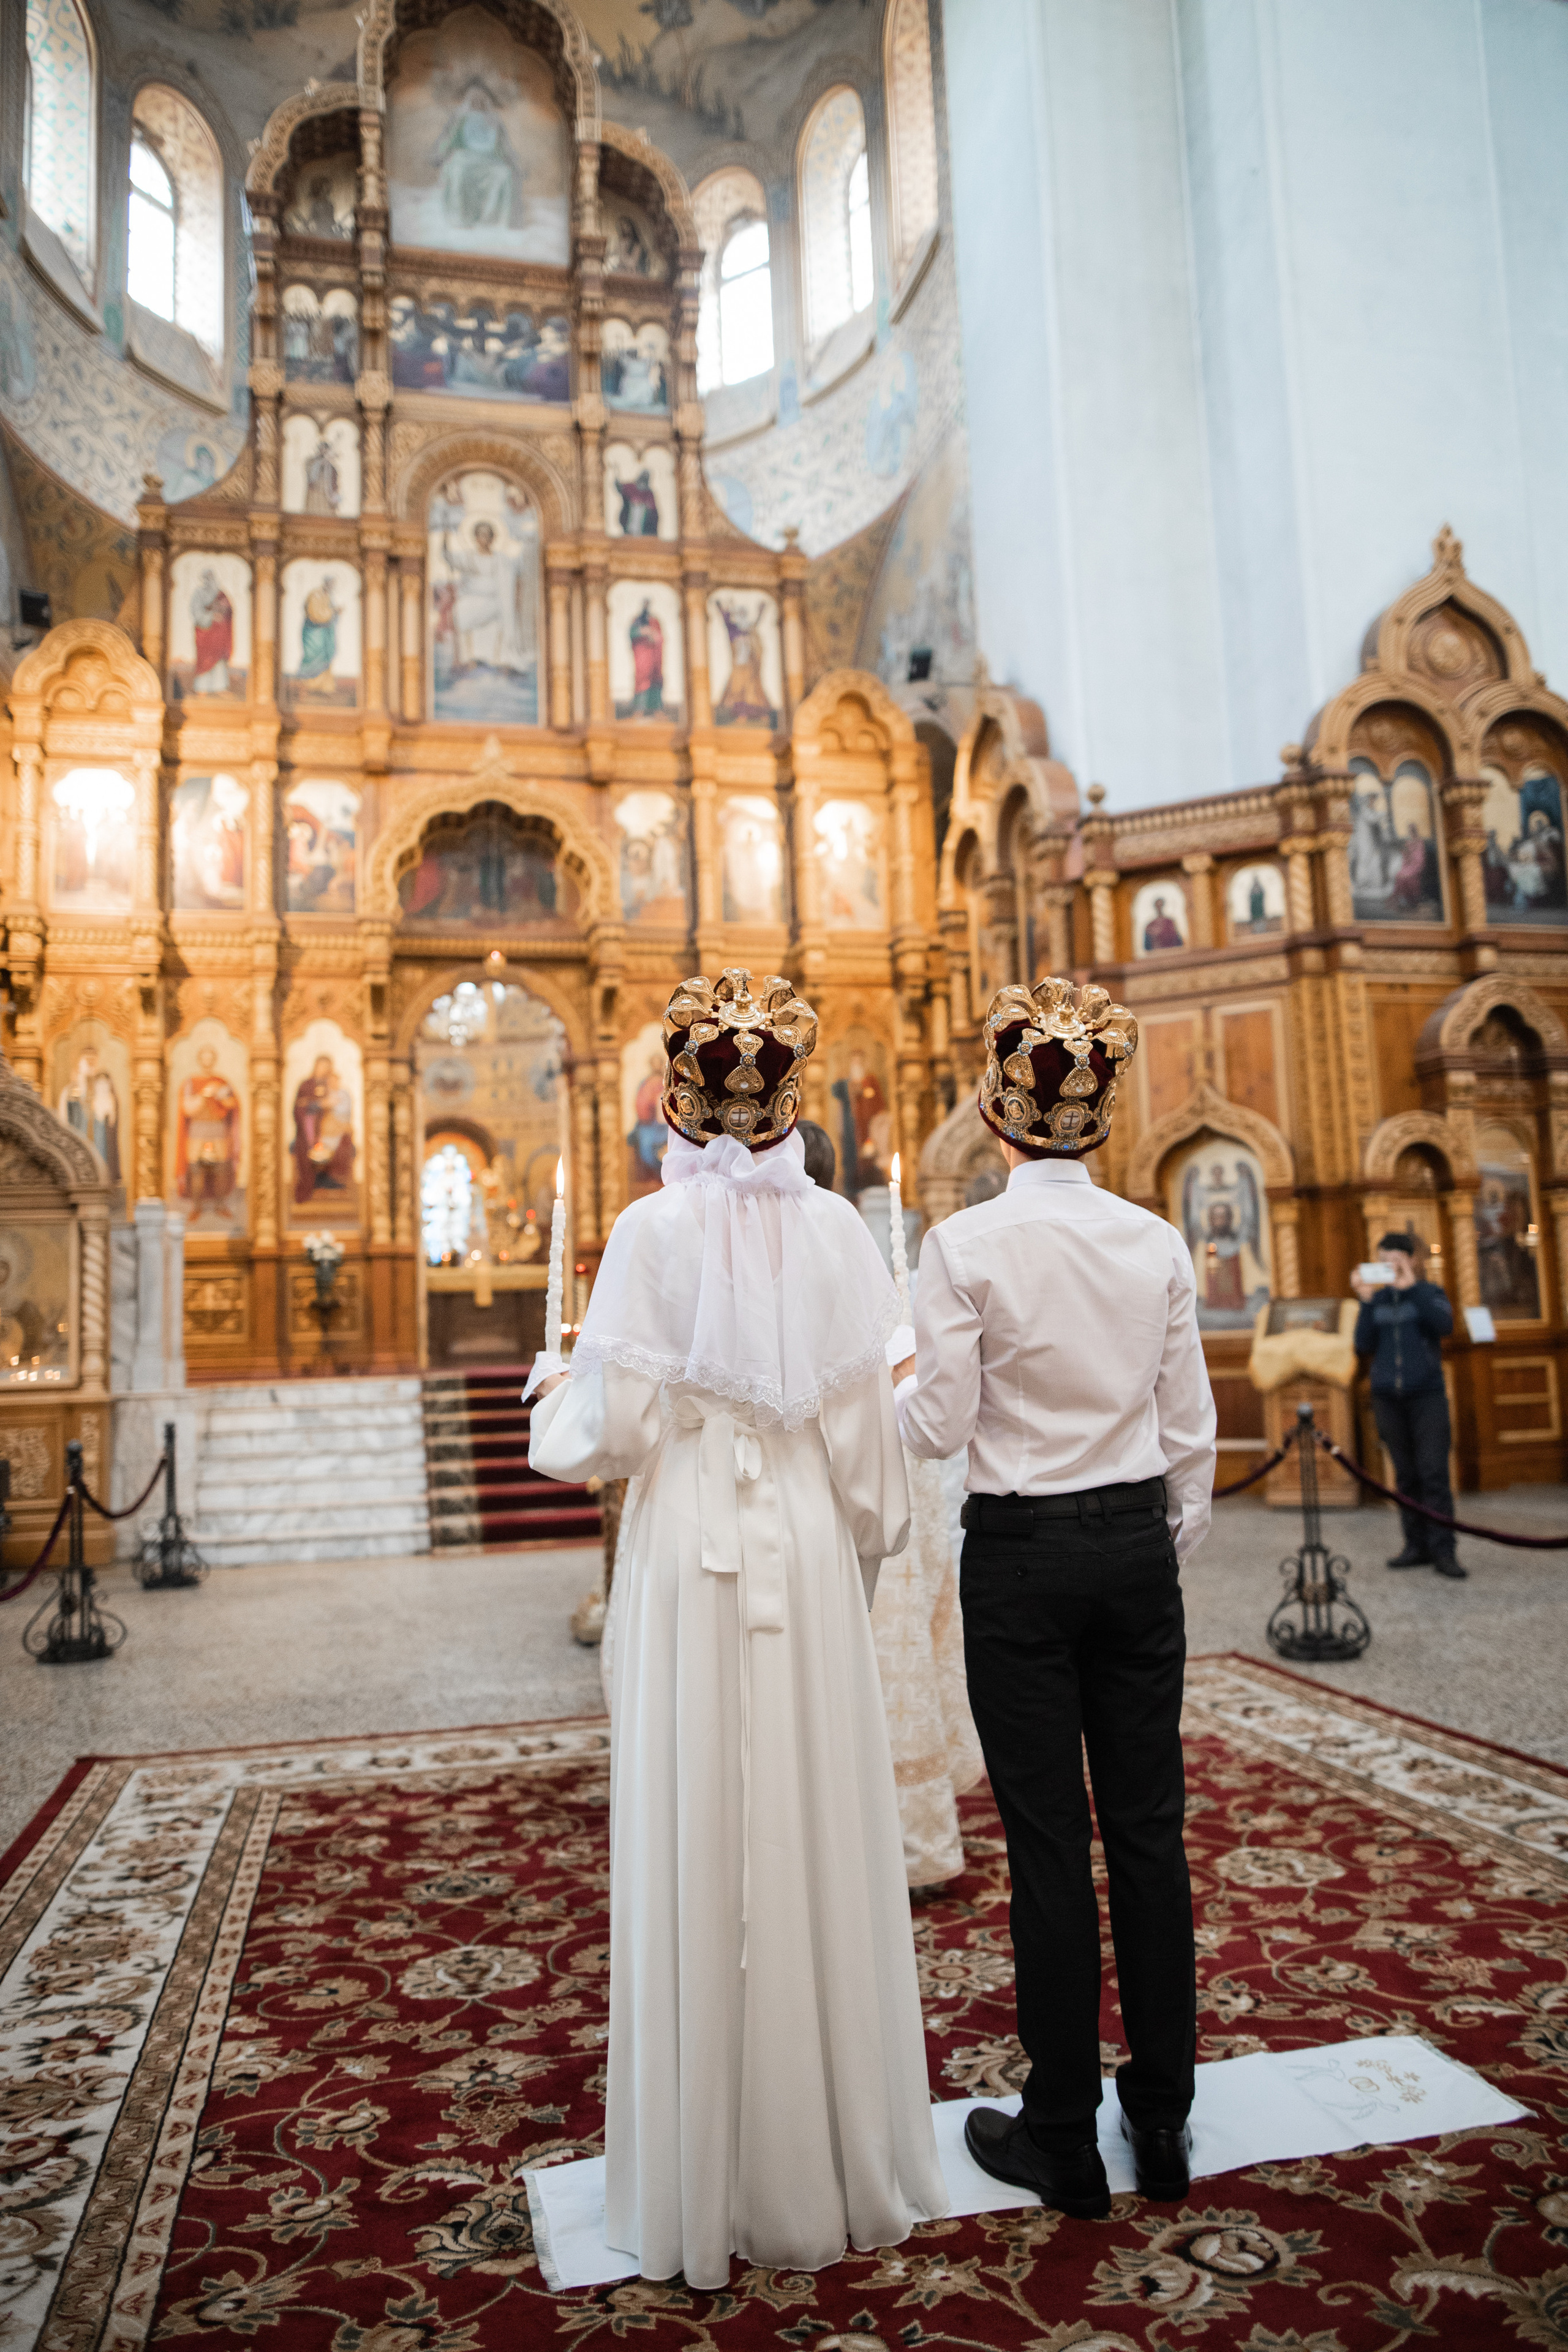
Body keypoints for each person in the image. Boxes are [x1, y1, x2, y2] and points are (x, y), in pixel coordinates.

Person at [526, 969, 945, 2288]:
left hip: (688, 1555)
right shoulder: (834, 1231)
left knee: (697, 1819)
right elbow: (872, 1460)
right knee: (813, 1816)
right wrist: (852, 1559)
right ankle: (833, 2152)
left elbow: (610, 1433)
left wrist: (553, 1396)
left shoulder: (649, 1235)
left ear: (679, 1101)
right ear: (784, 1105)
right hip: (808, 1549)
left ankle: (699, 2172)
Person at [894, 976, 1216, 2217]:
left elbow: (938, 1425)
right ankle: (1167, 2118)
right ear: (1099, 1120)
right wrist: (1158, 1531)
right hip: (1134, 1544)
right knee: (1146, 1829)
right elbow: (1187, 1424)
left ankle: (1062, 2138)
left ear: (996, 1121)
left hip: (1022, 1555)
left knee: (1045, 1845)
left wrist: (869, 1397)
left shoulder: (963, 1245)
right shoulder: (1153, 1239)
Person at [1352, 1231, 1464, 1578]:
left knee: (1433, 1474)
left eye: (1394, 1260)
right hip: (1388, 1397)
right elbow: (1362, 1344)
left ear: (1411, 1260)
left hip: (1427, 1396)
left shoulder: (1430, 1293)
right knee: (1405, 1476)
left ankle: (1444, 1552)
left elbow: (1443, 1325)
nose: (1388, 1266)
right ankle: (1415, 1546)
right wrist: (1366, 1300)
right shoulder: (1379, 1301)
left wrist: (1411, 1286)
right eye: (1382, 1260)